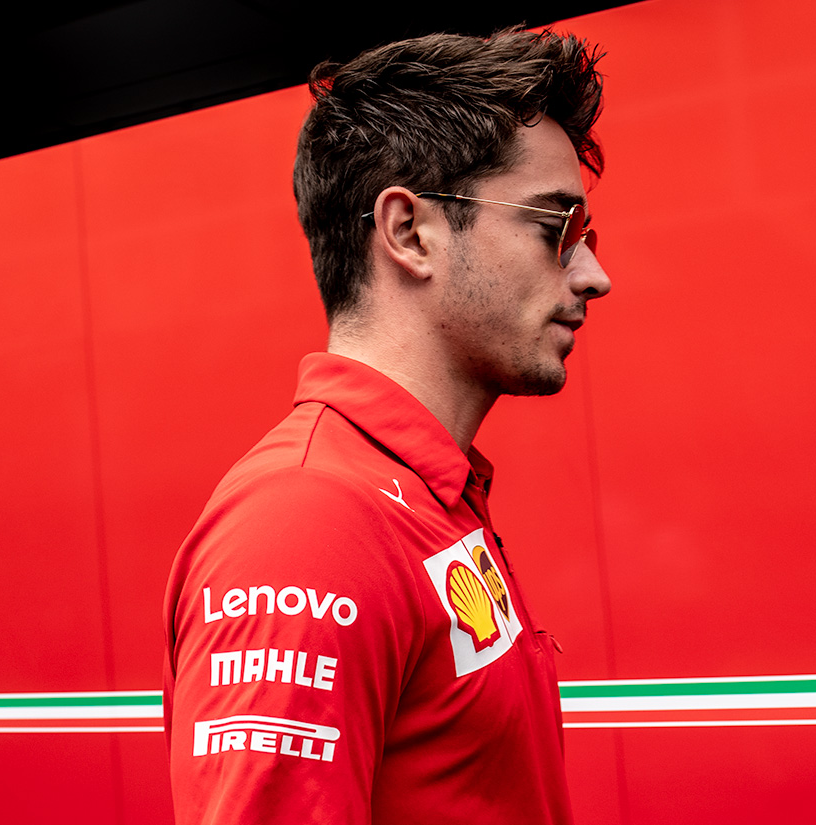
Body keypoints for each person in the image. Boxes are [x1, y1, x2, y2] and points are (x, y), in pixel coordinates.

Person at [162, 28, 611, 824]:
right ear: (408, 232)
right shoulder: (308, 524)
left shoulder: (425, 498)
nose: (593, 275)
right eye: (556, 229)